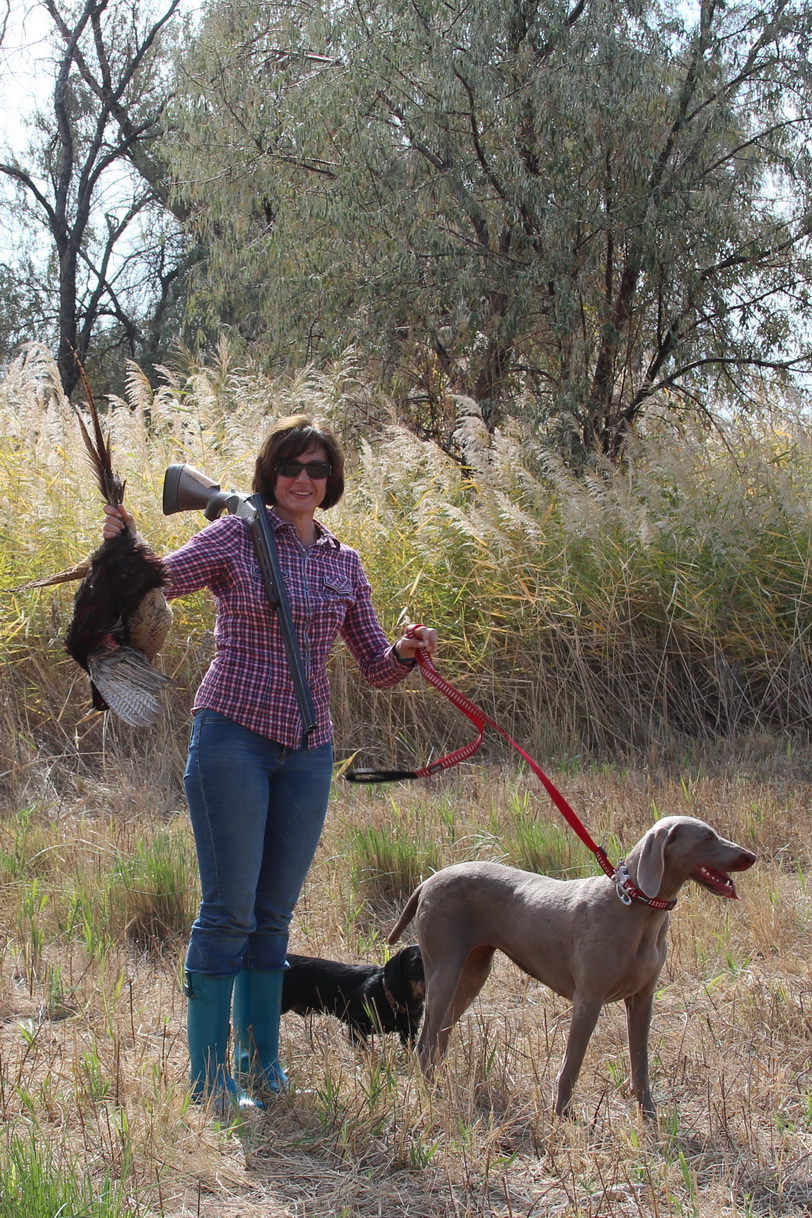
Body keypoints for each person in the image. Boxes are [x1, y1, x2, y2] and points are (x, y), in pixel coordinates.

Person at [102, 414, 437, 1114]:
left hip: (309, 752)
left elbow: (375, 667)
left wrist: (406, 652)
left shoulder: (345, 563)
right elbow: (158, 585)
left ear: (331, 480)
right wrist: (120, 550)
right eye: (291, 466)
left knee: (273, 917)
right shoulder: (236, 534)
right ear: (270, 473)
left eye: (317, 468)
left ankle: (261, 1067)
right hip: (233, 737)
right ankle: (209, 1082)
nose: (303, 479)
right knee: (228, 914)